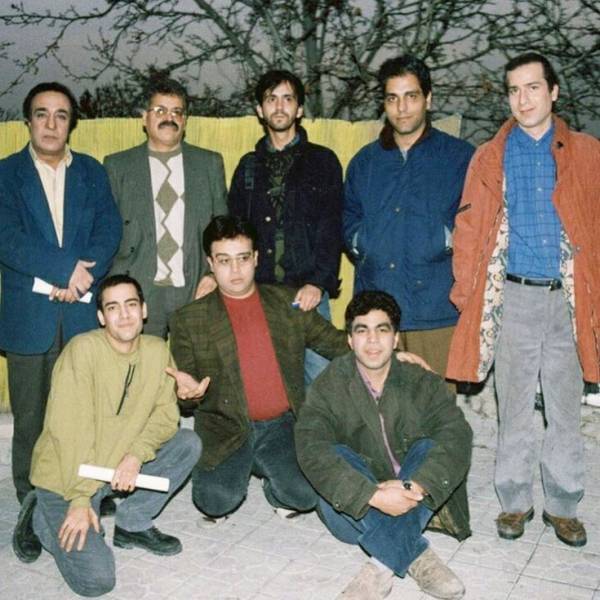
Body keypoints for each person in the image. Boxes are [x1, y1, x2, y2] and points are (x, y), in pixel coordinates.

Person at [447, 52, 600, 547]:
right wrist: (466, 292)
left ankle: (563, 505)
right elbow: (469, 229)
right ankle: (514, 501)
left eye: (533, 87)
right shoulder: (490, 156)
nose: (523, 99)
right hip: (512, 297)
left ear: (553, 92)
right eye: (514, 90)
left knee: (564, 407)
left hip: (567, 301)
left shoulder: (587, 153)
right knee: (511, 406)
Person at [12, 275, 202, 597]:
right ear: (101, 317)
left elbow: (166, 417)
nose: (124, 315)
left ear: (144, 310)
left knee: (187, 444)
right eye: (113, 307)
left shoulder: (157, 351)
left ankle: (133, 523)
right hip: (68, 476)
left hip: (115, 467)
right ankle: (39, 516)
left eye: (131, 305)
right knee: (96, 580)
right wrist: (80, 499)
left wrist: (136, 455)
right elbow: (70, 433)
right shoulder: (82, 351)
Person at [295, 291, 472, 600]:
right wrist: (373, 495)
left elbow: (456, 434)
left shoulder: (420, 379)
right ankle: (417, 554)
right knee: (335, 455)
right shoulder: (330, 383)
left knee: (430, 446)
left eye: (382, 329)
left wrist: (415, 486)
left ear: (396, 338)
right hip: (356, 506)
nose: (373, 340)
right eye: (362, 330)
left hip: (414, 495)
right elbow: (311, 445)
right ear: (350, 340)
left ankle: (379, 568)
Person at [0, 82, 122, 504]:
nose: (51, 124)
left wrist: (82, 278)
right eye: (42, 114)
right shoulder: (5, 174)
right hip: (28, 318)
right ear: (27, 121)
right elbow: (7, 237)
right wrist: (63, 271)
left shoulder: (92, 171)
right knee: (31, 422)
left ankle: (86, 495)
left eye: (61, 115)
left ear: (71, 124)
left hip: (81, 312)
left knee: (84, 414)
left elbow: (109, 229)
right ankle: (32, 506)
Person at [200, 69, 343, 384]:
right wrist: (218, 276)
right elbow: (233, 233)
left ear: (299, 109)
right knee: (268, 385)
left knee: (322, 384)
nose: (279, 107)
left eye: (287, 99)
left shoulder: (323, 161)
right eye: (271, 99)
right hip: (260, 296)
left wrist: (318, 283)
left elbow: (332, 228)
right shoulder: (248, 167)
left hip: (307, 294)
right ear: (259, 110)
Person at [343, 56, 474, 379]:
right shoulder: (365, 162)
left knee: (434, 402)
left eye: (411, 96)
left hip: (436, 309)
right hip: (376, 311)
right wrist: (362, 241)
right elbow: (347, 217)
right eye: (392, 98)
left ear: (428, 99)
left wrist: (443, 239)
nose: (402, 108)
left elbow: (477, 221)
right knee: (376, 405)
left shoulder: (460, 158)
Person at [104, 77, 227, 338]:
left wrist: (214, 275)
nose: (169, 118)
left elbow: (222, 229)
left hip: (195, 288)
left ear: (185, 120)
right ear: (144, 117)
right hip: (139, 290)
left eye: (176, 112)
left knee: (198, 363)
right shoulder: (118, 166)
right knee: (142, 364)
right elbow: (106, 231)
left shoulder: (209, 163)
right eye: (160, 111)